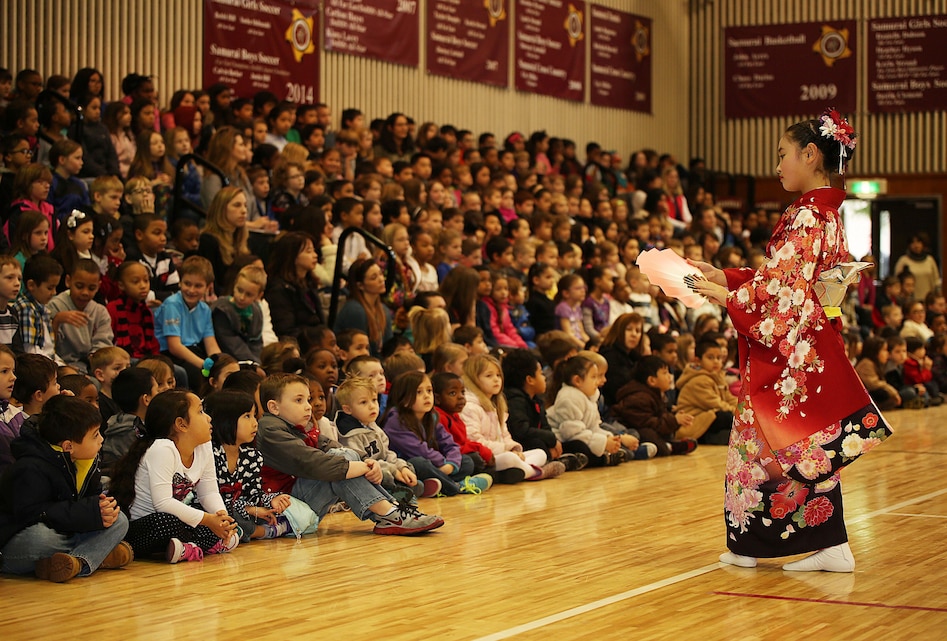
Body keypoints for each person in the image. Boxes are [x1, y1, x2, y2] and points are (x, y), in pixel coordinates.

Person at [689, 109, 893, 572]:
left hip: (790, 350)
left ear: (810, 153)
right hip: (804, 342)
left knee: (777, 446)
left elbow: (783, 287)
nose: (778, 165)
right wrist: (724, 275)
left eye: (783, 155)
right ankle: (799, 544)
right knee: (800, 446)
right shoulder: (826, 214)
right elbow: (783, 279)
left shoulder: (808, 215)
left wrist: (725, 294)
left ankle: (775, 544)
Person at [255, 372, 444, 535]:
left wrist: (369, 464)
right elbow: (311, 462)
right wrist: (360, 467)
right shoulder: (270, 429)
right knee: (339, 461)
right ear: (274, 407)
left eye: (307, 399)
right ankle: (390, 513)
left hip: (299, 505)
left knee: (342, 455)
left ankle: (391, 511)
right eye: (299, 400)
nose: (308, 406)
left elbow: (333, 448)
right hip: (281, 511)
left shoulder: (301, 426)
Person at [0, 396, 132, 582]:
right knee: (41, 537)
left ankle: (76, 563)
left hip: (66, 528)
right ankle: (97, 555)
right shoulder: (29, 467)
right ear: (69, 446)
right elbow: (31, 514)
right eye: (95, 435)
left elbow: (90, 501)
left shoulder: (88, 458)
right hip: (16, 546)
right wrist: (89, 513)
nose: (101, 440)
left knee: (120, 520)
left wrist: (102, 510)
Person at [110, 390, 240, 563]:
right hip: (146, 525)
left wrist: (222, 520)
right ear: (181, 424)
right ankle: (194, 545)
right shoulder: (163, 448)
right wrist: (209, 521)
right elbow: (162, 503)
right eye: (200, 412)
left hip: (177, 521)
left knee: (226, 511)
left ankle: (184, 547)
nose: (208, 418)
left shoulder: (204, 445)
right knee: (166, 522)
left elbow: (208, 493)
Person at [203, 390, 293, 541]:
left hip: (241, 512)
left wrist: (271, 500)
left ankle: (242, 533)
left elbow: (253, 494)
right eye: (247, 416)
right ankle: (262, 532)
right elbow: (209, 500)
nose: (255, 423)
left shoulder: (252, 456)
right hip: (217, 513)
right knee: (228, 515)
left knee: (274, 513)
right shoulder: (210, 455)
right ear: (226, 420)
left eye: (254, 416)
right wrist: (250, 509)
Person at [336, 376, 438, 501]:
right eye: (364, 402)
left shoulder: (373, 426)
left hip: (388, 470)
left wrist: (402, 467)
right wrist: (394, 471)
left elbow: (387, 453)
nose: (372, 406)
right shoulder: (349, 434)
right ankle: (391, 494)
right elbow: (364, 464)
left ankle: (402, 491)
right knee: (383, 476)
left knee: (410, 469)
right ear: (347, 409)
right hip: (371, 477)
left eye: (374, 400)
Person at [502, 349, 586, 471]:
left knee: (578, 445)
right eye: (541, 373)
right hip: (520, 446)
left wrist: (552, 442)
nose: (544, 378)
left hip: (539, 443)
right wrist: (550, 439)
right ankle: (548, 464)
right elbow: (521, 431)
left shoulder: (536, 399)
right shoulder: (514, 400)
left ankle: (553, 460)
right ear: (530, 380)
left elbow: (545, 426)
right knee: (537, 444)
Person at [153, 256, 221, 389]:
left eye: (198, 286)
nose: (191, 290)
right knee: (199, 377)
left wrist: (221, 363)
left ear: (208, 286)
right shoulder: (172, 304)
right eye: (187, 283)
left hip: (194, 351)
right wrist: (204, 365)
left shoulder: (205, 309)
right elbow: (174, 347)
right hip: (171, 354)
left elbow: (211, 344)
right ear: (180, 281)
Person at [46, 258, 113, 373]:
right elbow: (48, 347)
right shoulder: (54, 306)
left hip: (91, 367)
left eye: (91, 288)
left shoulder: (100, 312)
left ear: (98, 286)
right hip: (61, 366)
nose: (85, 292)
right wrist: (56, 321)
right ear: (68, 281)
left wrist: (93, 360)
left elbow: (103, 346)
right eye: (79, 286)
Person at [674, 339, 739, 445]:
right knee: (726, 417)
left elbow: (729, 398)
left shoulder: (717, 377)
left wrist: (744, 409)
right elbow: (717, 404)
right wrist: (738, 413)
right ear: (698, 361)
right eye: (710, 357)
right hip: (696, 424)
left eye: (719, 358)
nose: (716, 361)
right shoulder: (699, 381)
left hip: (709, 421)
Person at [100, 367, 158, 476]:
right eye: (157, 390)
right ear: (146, 399)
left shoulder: (126, 423)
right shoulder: (130, 433)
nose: (160, 395)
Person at [333, 258, 392, 357]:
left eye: (381, 274)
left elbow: (389, 347)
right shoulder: (355, 310)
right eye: (374, 277)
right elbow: (360, 350)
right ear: (360, 285)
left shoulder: (384, 310)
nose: (381, 279)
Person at [212, 264, 266, 363]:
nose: (242, 297)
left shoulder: (256, 311)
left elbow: (256, 342)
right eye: (239, 290)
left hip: (250, 360)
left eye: (249, 294)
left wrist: (258, 362)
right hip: (227, 357)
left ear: (259, 295)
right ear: (234, 284)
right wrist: (253, 363)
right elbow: (231, 344)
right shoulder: (222, 309)